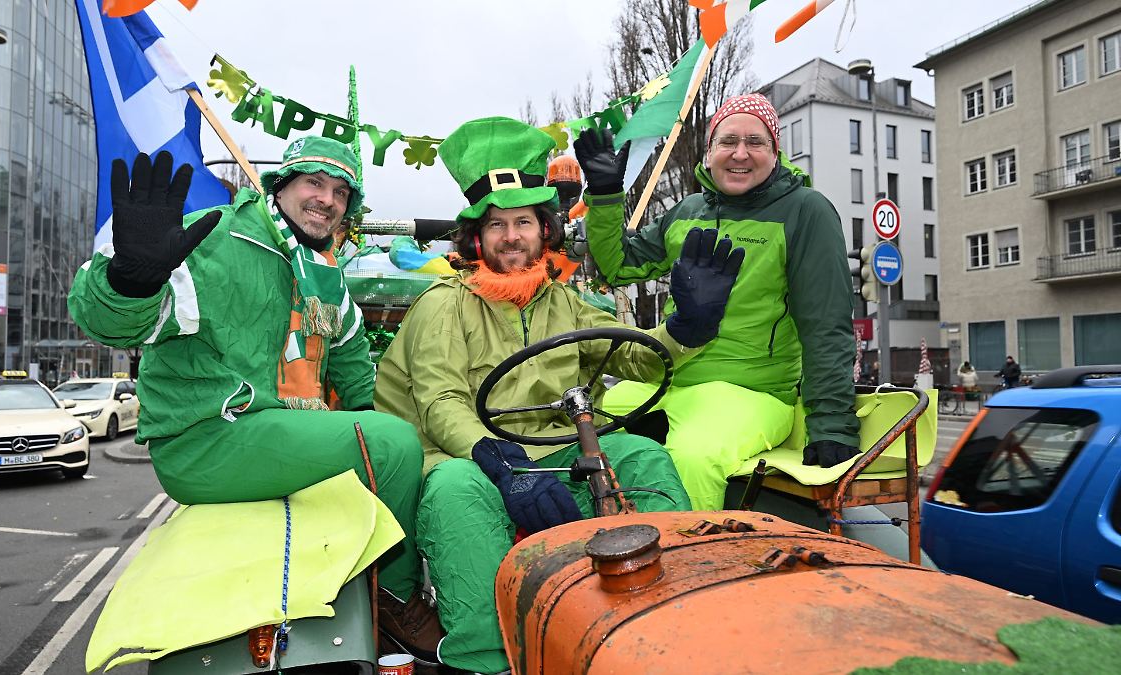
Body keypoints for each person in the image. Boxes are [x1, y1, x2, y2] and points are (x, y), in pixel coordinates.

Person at [374, 117, 741, 674]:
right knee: (454, 494)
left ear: (545, 232)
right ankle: (485, 657)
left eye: (524, 221)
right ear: (476, 237)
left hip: (556, 451)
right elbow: (440, 400)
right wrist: (504, 465)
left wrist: (688, 326)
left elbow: (633, 355)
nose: (512, 237)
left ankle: (668, 622)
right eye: (497, 225)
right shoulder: (442, 303)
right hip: (466, 458)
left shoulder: (561, 302)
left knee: (642, 457)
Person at [67, 137, 442, 663]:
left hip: (279, 438)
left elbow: (364, 387)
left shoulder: (329, 276)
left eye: (340, 192)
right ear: (281, 185)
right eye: (313, 182)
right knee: (392, 445)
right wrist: (131, 281)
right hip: (212, 437)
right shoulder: (219, 238)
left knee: (401, 440)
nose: (326, 200)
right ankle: (397, 596)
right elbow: (111, 323)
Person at [574, 92, 860, 510]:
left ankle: (684, 564)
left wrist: (832, 424)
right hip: (667, 380)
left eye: (755, 142)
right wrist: (604, 195)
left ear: (774, 152)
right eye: (727, 141)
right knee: (580, 433)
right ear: (709, 153)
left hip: (751, 391)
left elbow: (826, 326)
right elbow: (617, 265)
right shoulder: (688, 210)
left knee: (691, 458)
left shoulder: (805, 211)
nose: (740, 153)